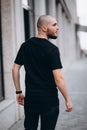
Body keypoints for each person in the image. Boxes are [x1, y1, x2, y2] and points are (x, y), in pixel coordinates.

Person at [12, 15, 72, 130]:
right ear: (44, 28)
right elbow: (59, 79)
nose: (58, 27)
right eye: (54, 25)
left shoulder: (25, 46)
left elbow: (15, 68)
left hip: (31, 99)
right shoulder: (52, 50)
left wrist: (18, 91)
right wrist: (67, 99)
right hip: (49, 101)